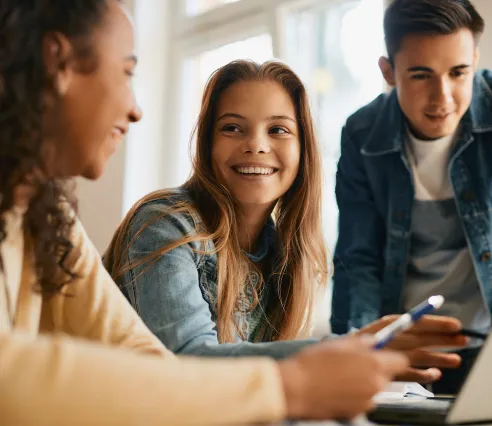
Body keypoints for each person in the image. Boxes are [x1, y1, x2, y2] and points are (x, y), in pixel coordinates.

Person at [0, 1, 416, 424]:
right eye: (127, 73)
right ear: (59, 63)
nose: (136, 109)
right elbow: (12, 373)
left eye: (278, 129)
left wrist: (346, 355)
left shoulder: (47, 216)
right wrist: (295, 382)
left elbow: (143, 356)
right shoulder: (166, 223)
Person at [103, 59, 467, 383]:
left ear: (302, 149)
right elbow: (188, 361)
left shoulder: (284, 254)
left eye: (278, 130)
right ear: (207, 144)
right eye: (232, 128)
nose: (256, 145)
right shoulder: (166, 224)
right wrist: (346, 349)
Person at [331, 0, 492, 394]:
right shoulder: (361, 133)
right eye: (421, 75)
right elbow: (359, 260)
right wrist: (361, 355)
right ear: (388, 72)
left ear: (475, 59)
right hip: (404, 355)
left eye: (459, 73)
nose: (443, 98)